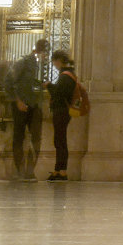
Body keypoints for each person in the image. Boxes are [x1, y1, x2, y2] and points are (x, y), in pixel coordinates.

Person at [3, 38, 49, 180]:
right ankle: (20, 170)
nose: (44, 57)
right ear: (36, 51)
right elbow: (8, 81)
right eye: (43, 53)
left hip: (35, 106)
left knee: (36, 138)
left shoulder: (39, 66)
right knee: (19, 137)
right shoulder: (22, 62)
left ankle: (30, 171)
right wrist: (17, 100)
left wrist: (41, 85)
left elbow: (31, 82)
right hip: (21, 105)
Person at [45, 49, 76, 181]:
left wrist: (48, 86)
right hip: (64, 111)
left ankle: (61, 171)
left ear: (58, 61)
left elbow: (59, 93)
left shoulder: (65, 76)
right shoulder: (70, 74)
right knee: (60, 140)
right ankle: (59, 170)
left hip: (61, 111)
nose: (54, 65)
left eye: (54, 62)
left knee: (60, 141)